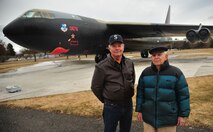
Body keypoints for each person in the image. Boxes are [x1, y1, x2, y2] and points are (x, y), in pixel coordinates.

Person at [136, 46, 190, 132]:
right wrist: (139, 110)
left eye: (159, 54)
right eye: (153, 55)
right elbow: (140, 93)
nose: (156, 57)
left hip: (168, 119)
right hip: (148, 118)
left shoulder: (176, 73)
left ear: (166, 57)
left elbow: (183, 95)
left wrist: (182, 115)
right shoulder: (145, 73)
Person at [91, 34, 135, 132]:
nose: (117, 48)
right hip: (111, 107)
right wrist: (106, 99)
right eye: (114, 46)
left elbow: (132, 80)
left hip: (128, 104)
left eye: (119, 45)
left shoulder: (129, 63)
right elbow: (95, 87)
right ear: (109, 48)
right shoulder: (101, 66)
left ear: (123, 47)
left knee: (126, 130)